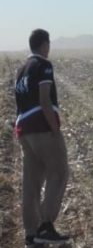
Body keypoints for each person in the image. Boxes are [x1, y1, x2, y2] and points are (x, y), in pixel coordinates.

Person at [14, 29, 70, 246]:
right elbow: (44, 99)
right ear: (44, 44)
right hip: (42, 127)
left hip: (24, 131)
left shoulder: (20, 70)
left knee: (31, 183)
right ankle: (45, 226)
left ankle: (31, 234)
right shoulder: (43, 65)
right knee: (60, 172)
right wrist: (54, 128)